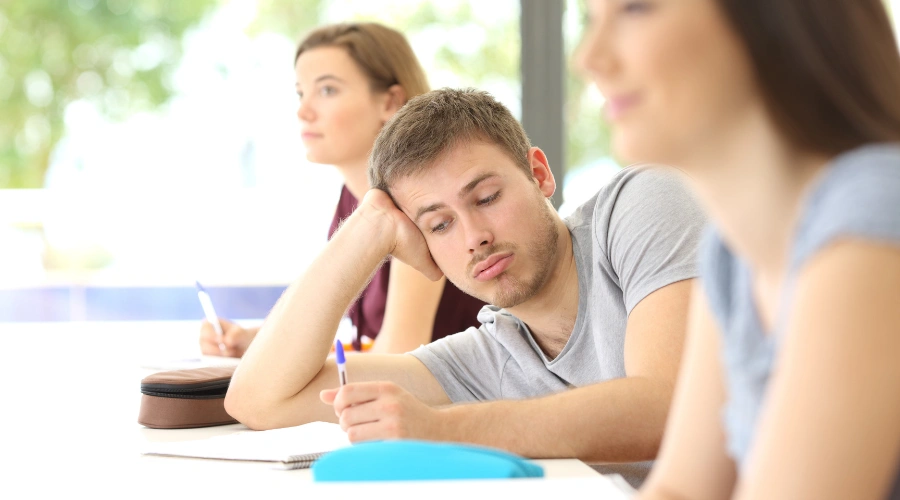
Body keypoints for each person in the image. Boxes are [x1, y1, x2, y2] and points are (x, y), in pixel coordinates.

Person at [225, 87, 707, 486]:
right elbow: (259, 400)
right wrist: (366, 230)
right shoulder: (484, 357)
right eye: (438, 226)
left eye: (487, 197)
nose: (475, 236)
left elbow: (668, 406)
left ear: (538, 174)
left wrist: (440, 427)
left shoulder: (641, 203)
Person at [574, 0, 900, 498]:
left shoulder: (873, 217)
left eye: (636, 10)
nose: (588, 57)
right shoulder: (732, 255)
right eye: (592, 20)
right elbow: (681, 490)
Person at [199, 23, 485, 357]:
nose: (303, 111)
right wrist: (256, 342)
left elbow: (400, 355)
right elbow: (343, 328)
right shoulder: (354, 200)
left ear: (390, 101)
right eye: (300, 93)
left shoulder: (417, 204)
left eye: (327, 90)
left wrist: (275, 365)